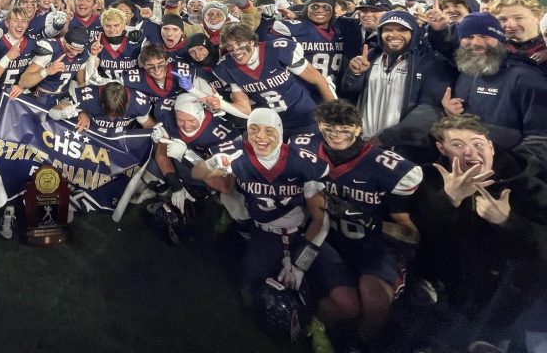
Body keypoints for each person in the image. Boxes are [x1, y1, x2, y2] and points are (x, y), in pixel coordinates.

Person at [192, 109, 360, 345]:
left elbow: (320, 219)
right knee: (248, 284)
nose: (261, 137)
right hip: (266, 233)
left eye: (268, 131)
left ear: (279, 132)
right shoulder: (237, 155)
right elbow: (197, 172)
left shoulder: (303, 162)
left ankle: (314, 319)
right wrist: (211, 163)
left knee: (347, 303)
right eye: (254, 130)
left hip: (304, 235)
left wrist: (301, 264)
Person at [408, 114, 547, 351]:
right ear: (442, 149)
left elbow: (540, 248)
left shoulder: (526, 180)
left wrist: (507, 221)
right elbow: (424, 241)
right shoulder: (428, 179)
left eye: (478, 144)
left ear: (491, 146)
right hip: (451, 286)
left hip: (510, 291)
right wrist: (449, 202)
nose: (470, 152)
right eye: (458, 145)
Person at [294, 100, 423, 348]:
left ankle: (360, 343)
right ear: (320, 126)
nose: (335, 136)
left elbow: (410, 234)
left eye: (344, 129)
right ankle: (314, 320)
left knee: (375, 304)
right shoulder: (306, 146)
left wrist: (365, 218)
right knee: (347, 306)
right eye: (329, 129)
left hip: (373, 244)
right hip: (327, 238)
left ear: (357, 129)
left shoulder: (384, 165)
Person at [441, 12, 547, 176]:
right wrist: (450, 115)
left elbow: (540, 139)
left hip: (508, 176)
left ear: (500, 39)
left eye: (485, 36)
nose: (476, 43)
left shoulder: (526, 77)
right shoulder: (466, 70)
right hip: (468, 170)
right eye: (468, 37)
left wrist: (505, 169)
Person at [341, 11, 455, 158]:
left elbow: (430, 110)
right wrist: (354, 74)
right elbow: (350, 93)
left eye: (402, 30)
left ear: (414, 33)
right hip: (362, 142)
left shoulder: (432, 62)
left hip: (403, 148)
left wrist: (384, 138)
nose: (394, 35)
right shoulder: (370, 57)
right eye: (388, 30)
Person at [211, 22, 335, 137]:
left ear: (252, 42)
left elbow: (319, 80)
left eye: (239, 44)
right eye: (230, 46)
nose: (235, 51)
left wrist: (335, 114)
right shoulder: (228, 67)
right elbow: (245, 109)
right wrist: (221, 104)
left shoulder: (278, 50)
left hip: (308, 117)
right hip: (275, 123)